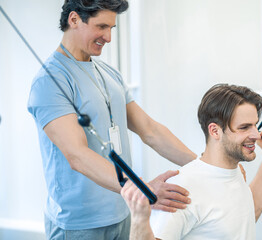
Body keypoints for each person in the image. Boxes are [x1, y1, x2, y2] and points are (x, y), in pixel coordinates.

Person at [27, 0, 196, 239]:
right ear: (74, 19)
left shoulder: (108, 72)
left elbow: (150, 130)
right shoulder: (50, 81)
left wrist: (204, 165)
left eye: (111, 29)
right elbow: (78, 155)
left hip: (123, 212)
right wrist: (143, 190)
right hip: (79, 225)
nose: (107, 37)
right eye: (101, 26)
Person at [121, 84, 262, 240]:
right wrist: (139, 219)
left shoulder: (235, 173)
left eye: (255, 125)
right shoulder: (181, 189)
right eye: (244, 127)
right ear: (215, 131)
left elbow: (247, 215)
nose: (256, 134)